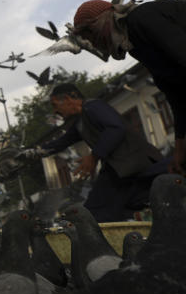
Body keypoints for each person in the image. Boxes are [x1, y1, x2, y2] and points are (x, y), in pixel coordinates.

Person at [71, 0, 186, 174]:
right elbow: (175, 93)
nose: (93, 44)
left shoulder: (141, 19)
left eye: (90, 36)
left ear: (100, 23)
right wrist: (179, 149)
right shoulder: (133, 43)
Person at [38, 82, 168, 222]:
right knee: (97, 213)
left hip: (138, 164)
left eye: (55, 105)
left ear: (68, 100)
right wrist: (33, 153)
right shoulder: (80, 122)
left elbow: (115, 128)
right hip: (120, 171)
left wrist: (94, 157)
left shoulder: (94, 107)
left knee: (96, 213)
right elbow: (61, 142)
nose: (55, 111)